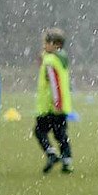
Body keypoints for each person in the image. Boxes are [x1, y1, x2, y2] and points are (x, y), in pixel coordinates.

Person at [35, 28, 74, 174]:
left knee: (39, 131)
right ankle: (67, 161)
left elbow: (54, 82)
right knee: (61, 134)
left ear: (55, 44)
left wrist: (56, 102)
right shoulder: (61, 58)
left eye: (46, 43)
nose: (44, 46)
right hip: (62, 104)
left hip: (51, 105)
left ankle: (51, 154)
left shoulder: (50, 60)